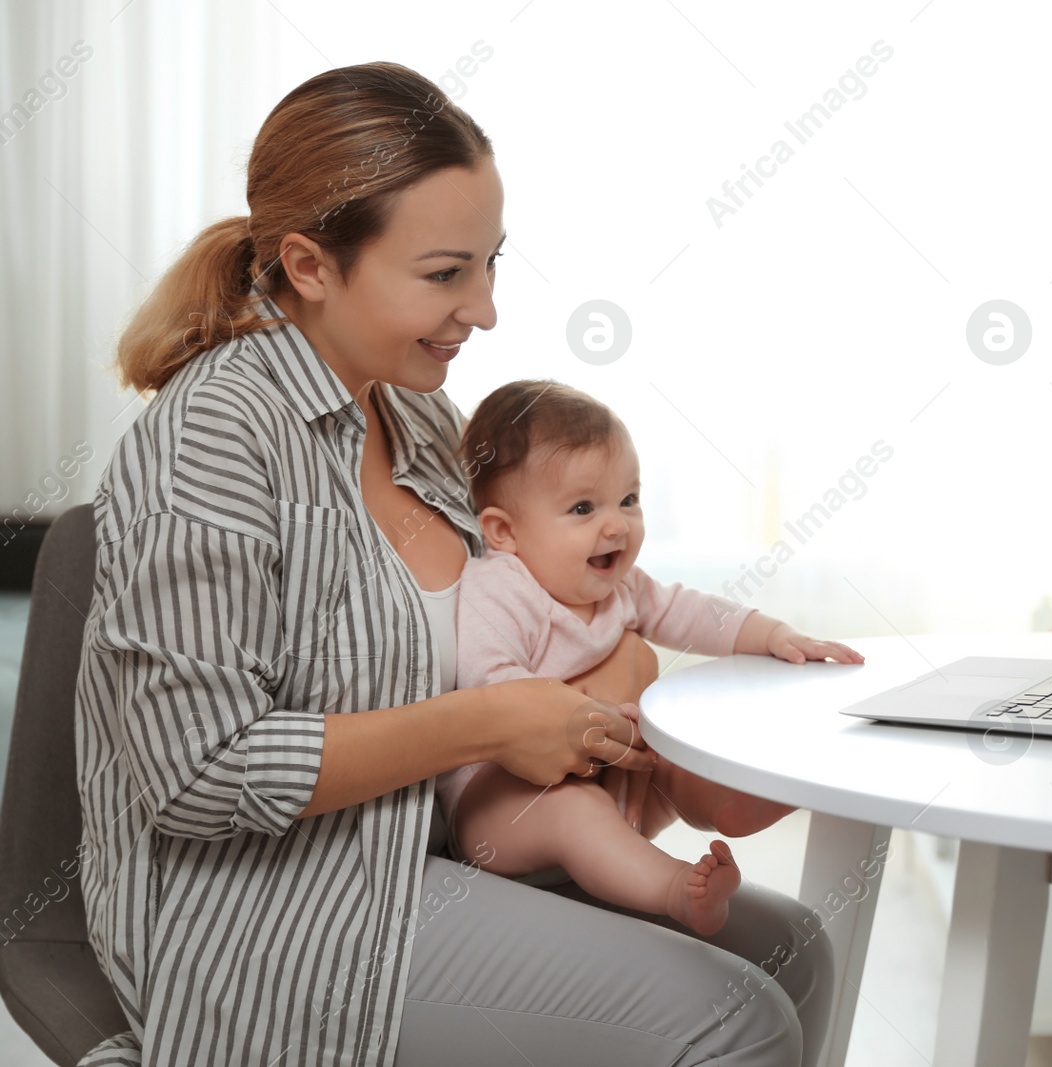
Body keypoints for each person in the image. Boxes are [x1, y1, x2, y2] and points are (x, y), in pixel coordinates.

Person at [75, 61, 832, 1067]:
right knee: (733, 1016)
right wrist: (489, 721)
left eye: (490, 264)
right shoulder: (213, 438)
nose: (484, 310)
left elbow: (515, 610)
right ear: (309, 264)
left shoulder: (417, 411)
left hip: (438, 842)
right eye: (444, 274)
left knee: (796, 949)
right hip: (283, 907)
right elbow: (199, 772)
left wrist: (611, 677)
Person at [436, 380, 864, 936]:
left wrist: (772, 634)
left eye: (629, 500)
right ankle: (673, 890)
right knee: (575, 811)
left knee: (678, 760)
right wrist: (589, 717)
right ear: (504, 532)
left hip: (612, 783)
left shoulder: (621, 587)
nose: (616, 525)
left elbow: (689, 612)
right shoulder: (501, 588)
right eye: (583, 508)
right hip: (503, 803)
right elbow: (492, 685)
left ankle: (735, 797)